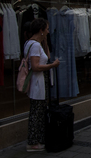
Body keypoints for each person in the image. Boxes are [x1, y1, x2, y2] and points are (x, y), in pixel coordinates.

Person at [24, 18, 60, 152]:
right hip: (37, 83)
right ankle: (33, 142)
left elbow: (46, 55)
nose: (48, 31)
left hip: (38, 83)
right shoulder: (34, 46)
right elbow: (35, 66)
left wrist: (44, 41)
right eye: (47, 29)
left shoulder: (32, 43)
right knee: (36, 113)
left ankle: (37, 140)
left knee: (39, 111)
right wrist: (53, 65)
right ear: (41, 30)